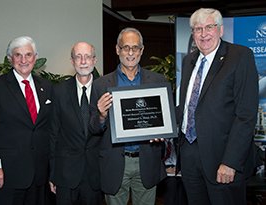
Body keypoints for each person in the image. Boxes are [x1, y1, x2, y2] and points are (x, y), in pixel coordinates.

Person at [177, 8, 259, 204]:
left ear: (220, 30)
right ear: (193, 34)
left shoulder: (240, 56)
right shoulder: (188, 61)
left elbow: (246, 115)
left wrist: (230, 162)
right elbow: (187, 108)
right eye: (198, 29)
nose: (204, 34)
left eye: (209, 27)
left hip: (222, 158)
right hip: (189, 156)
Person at [89, 27, 166, 205]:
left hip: (146, 161)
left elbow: (163, 119)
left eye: (135, 48)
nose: (130, 53)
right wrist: (101, 116)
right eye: (125, 47)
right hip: (114, 162)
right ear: (117, 49)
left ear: (142, 50)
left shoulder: (157, 80)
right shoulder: (100, 85)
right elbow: (91, 127)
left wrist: (162, 129)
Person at [0, 36, 53, 205]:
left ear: (35, 58)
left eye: (28, 55)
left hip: (40, 174)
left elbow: (50, 129)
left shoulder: (46, 87)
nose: (23, 60)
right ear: (10, 59)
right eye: (18, 55)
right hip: (8, 173)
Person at [49, 42, 102, 204]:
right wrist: (52, 174)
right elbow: (53, 134)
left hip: (96, 173)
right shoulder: (58, 91)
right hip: (65, 175)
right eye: (78, 57)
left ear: (95, 60)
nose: (83, 61)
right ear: (72, 62)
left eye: (87, 57)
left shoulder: (105, 90)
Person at [161, 138, 187, 205]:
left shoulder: (179, 140)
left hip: (178, 169)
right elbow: (155, 161)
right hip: (164, 170)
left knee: (182, 183)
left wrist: (179, 167)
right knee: (171, 182)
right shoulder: (160, 141)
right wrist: (165, 169)